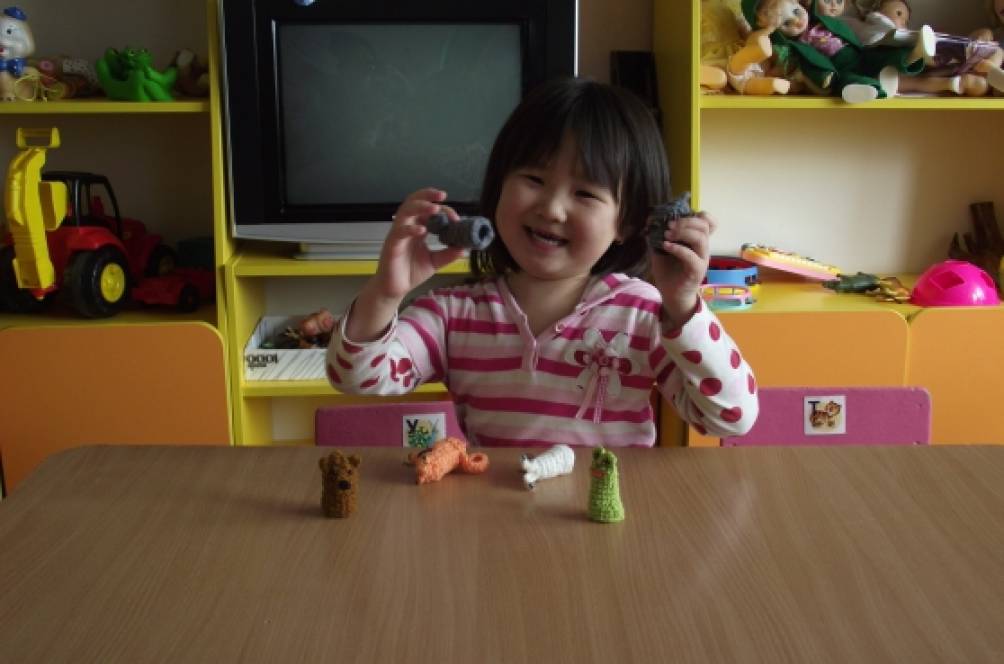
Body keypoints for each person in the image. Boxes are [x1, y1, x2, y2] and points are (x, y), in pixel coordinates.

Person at [325, 77, 758, 447]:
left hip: (601, 515)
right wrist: (386, 292)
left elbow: (731, 418)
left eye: (585, 193)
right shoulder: (453, 315)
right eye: (534, 179)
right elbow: (357, 378)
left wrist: (683, 307)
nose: (551, 208)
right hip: (493, 514)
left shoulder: (644, 314)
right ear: (499, 187)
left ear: (626, 222)